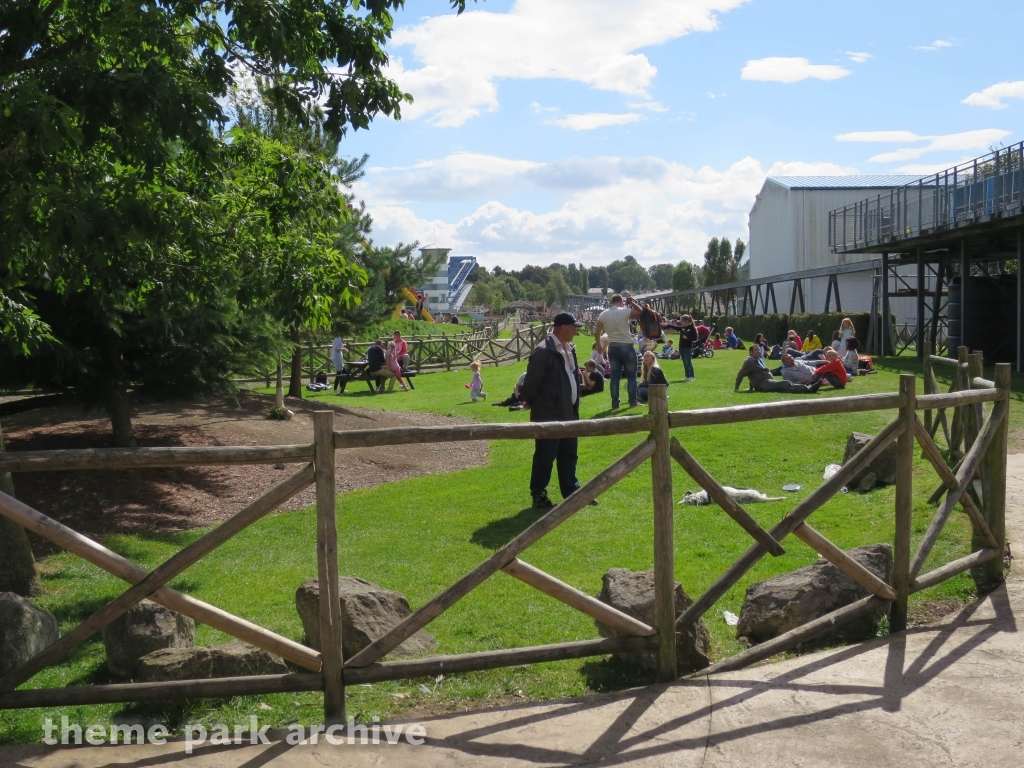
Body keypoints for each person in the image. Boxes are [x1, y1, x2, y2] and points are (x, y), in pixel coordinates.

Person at [520, 312, 596, 509]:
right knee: (545, 455)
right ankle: (539, 494)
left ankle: (572, 491)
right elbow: (531, 383)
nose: (576, 331)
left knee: (569, 453)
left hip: (569, 411)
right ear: (563, 327)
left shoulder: (569, 349)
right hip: (549, 414)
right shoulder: (543, 351)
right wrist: (530, 401)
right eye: (574, 327)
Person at [594, 293, 641, 409]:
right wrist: (631, 301)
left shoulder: (603, 314)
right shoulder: (625, 310)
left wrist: (600, 345)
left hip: (612, 347)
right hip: (626, 346)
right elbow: (641, 311)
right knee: (631, 376)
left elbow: (597, 332)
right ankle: (633, 401)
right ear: (621, 301)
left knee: (615, 377)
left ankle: (615, 403)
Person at [734, 344, 820, 394]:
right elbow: (741, 374)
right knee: (784, 383)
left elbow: (753, 374)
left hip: (767, 382)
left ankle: (809, 388)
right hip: (763, 384)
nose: (759, 351)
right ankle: (809, 388)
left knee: (784, 387)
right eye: (756, 350)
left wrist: (751, 388)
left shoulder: (758, 359)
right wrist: (736, 388)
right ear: (751, 352)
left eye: (759, 350)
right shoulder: (749, 361)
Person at [662, 313, 698, 381]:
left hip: (688, 348)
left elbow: (695, 338)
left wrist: (687, 338)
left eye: (682, 321)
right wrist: (667, 325)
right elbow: (674, 326)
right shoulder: (682, 328)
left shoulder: (692, 328)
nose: (680, 322)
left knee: (688, 362)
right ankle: (687, 376)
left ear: (686, 321)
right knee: (684, 362)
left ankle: (692, 376)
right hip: (681, 347)